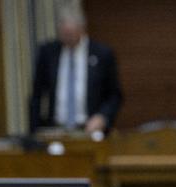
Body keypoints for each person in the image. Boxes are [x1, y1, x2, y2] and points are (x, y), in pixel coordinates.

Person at [29, 5, 122, 134]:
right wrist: (34, 131)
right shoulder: (48, 53)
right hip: (56, 130)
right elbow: (36, 95)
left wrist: (102, 117)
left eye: (71, 34)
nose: (68, 38)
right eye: (64, 34)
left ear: (82, 29)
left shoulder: (102, 54)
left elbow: (114, 96)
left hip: (89, 130)